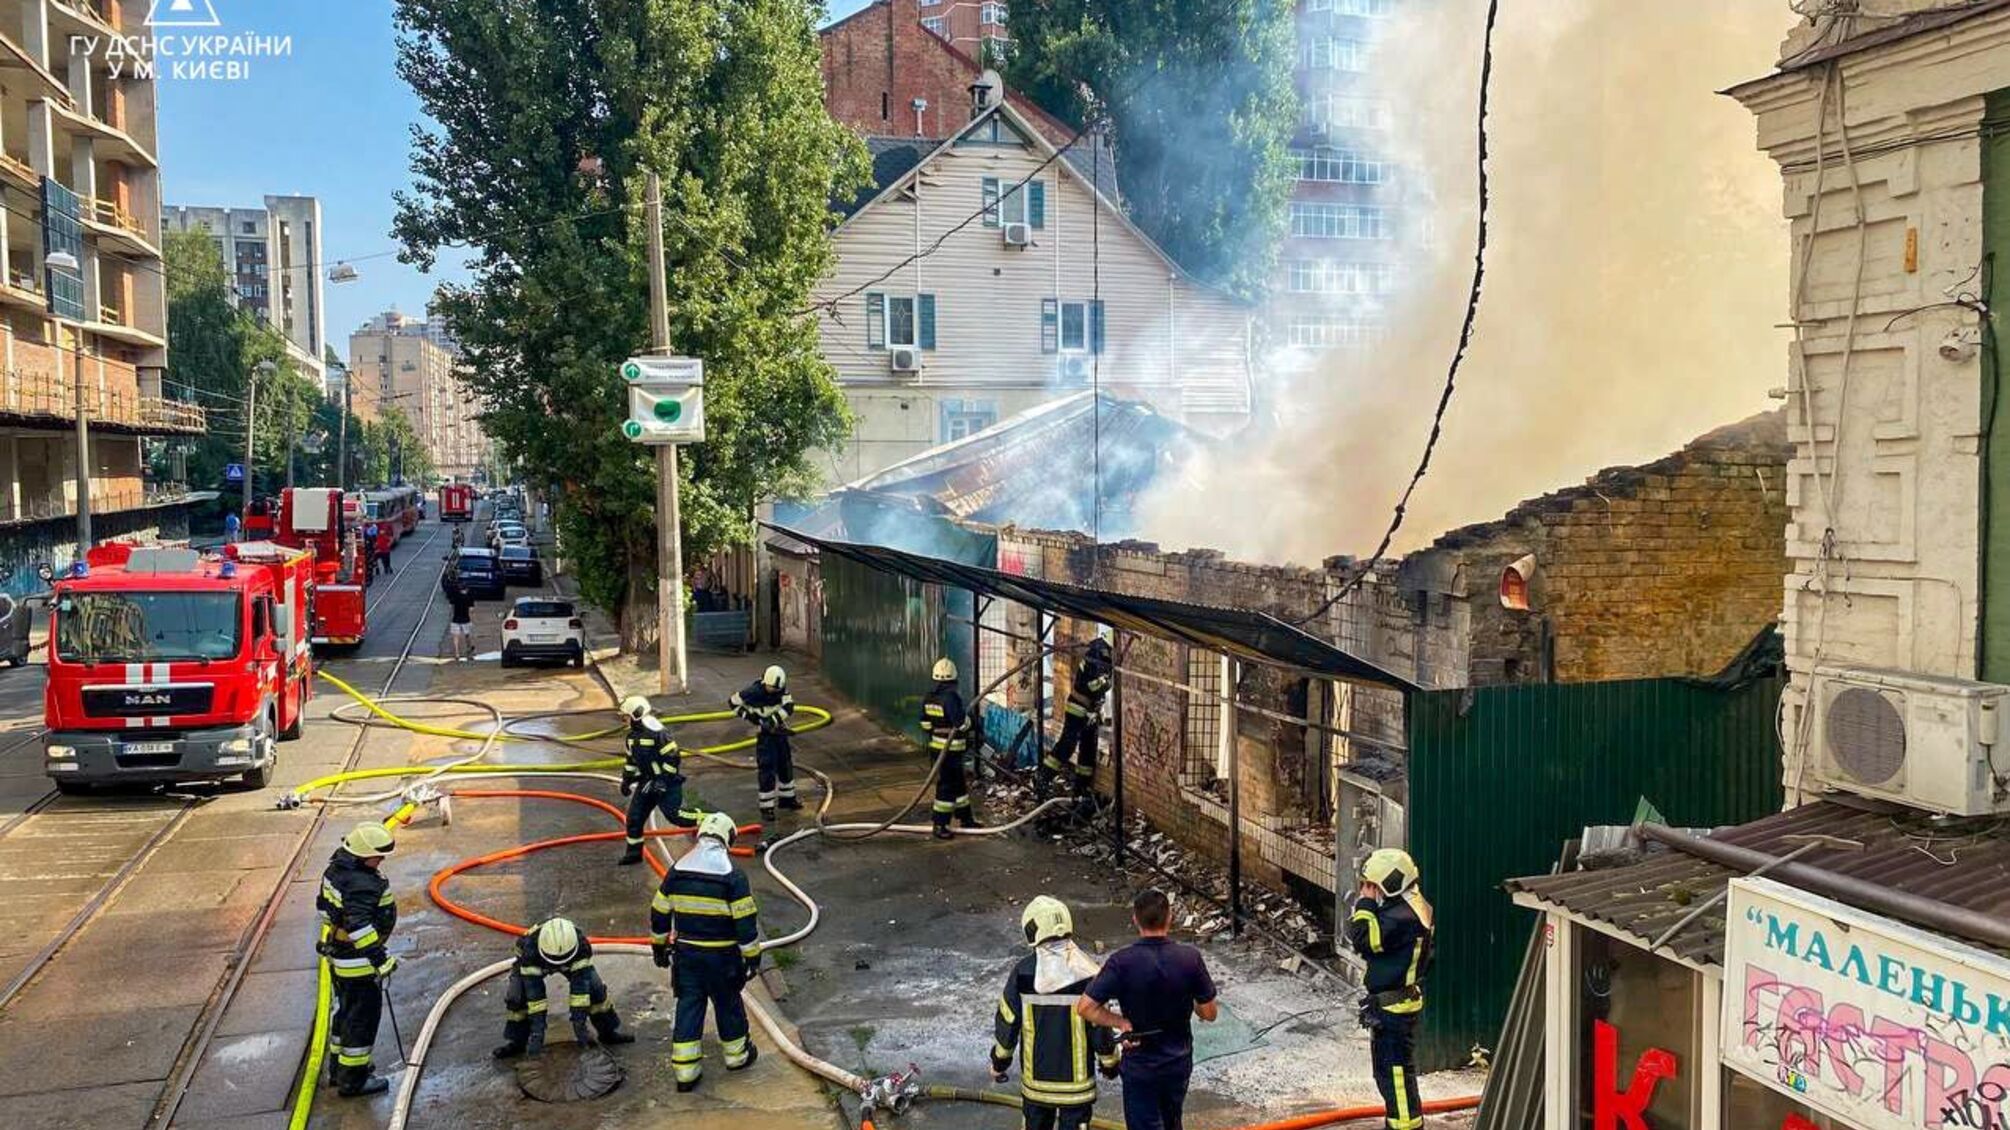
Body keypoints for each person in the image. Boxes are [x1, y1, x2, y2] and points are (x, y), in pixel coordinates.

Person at [1077, 889, 1218, 1130]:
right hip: (1178, 1062)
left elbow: (1085, 1007)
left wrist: (1120, 1022)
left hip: (1140, 1065)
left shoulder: (1122, 962)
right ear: (1170, 918)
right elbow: (1209, 1013)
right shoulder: (1190, 958)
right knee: (1172, 1121)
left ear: (1135, 919)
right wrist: (1189, 993)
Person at [649, 811, 762, 1092]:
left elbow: (659, 911)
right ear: (728, 838)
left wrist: (659, 946)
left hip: (687, 956)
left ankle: (686, 1071)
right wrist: (752, 957)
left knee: (689, 1003)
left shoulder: (677, 871)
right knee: (727, 1003)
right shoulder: (732, 876)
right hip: (722, 957)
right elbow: (745, 923)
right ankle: (737, 1056)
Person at [991, 896, 1120, 1129]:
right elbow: (1101, 1028)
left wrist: (1000, 1062)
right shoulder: (1089, 973)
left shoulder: (1023, 973)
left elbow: (1008, 1021)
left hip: (1037, 1086)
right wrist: (1110, 1064)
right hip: (1077, 1089)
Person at [1346, 849, 1435, 1130]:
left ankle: (1405, 1127)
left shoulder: (1401, 917)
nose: (1369, 889)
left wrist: (1365, 902)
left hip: (1395, 1010)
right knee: (1390, 1074)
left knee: (1395, 1076)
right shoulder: (1410, 905)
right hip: (1394, 1005)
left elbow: (1361, 938)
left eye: (1372, 884)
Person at [316, 821, 401, 1098]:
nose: (381, 861)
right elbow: (360, 927)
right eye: (378, 856)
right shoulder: (361, 884)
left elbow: (325, 910)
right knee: (361, 1020)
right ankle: (353, 1081)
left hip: (340, 957)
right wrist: (380, 959)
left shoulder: (335, 871)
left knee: (346, 1013)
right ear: (363, 855)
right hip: (359, 964)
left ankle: (338, 1070)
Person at [492, 917, 637, 1059]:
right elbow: (535, 997)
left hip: (570, 960)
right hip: (535, 963)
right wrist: (538, 1032)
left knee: (595, 989)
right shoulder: (529, 949)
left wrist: (579, 1026)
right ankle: (518, 1042)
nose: (557, 965)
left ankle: (607, 1033)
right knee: (516, 997)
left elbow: (580, 992)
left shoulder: (581, 946)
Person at [616, 694, 699, 865]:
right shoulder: (631, 737)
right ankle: (634, 853)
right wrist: (627, 779)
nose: (624, 721)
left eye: (626, 717)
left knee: (676, 816)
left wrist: (662, 780)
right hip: (647, 782)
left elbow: (673, 758)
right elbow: (631, 761)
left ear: (636, 715)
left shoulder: (658, 733)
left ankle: (707, 819)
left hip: (667, 783)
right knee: (634, 818)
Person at [1042, 638, 1113, 801]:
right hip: (1078, 707)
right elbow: (1093, 686)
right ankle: (1043, 777)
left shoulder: (1101, 654)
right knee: (1067, 745)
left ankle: (1081, 788)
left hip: (1091, 711)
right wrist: (1107, 682)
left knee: (1088, 750)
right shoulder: (1098, 655)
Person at [730, 666, 798, 821]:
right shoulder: (752, 692)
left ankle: (787, 799)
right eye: (772, 688)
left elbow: (789, 706)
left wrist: (773, 720)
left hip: (779, 732)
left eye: (777, 689)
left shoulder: (781, 690)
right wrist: (750, 717)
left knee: (785, 764)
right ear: (765, 683)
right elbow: (733, 703)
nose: (774, 691)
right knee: (767, 769)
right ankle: (766, 808)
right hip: (765, 737)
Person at [919, 657, 977, 839]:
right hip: (950, 750)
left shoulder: (929, 697)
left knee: (958, 784)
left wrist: (937, 731)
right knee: (946, 787)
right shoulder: (951, 697)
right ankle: (939, 824)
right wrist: (972, 722)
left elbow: (925, 724)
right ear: (953, 679)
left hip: (937, 749)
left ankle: (966, 819)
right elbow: (960, 723)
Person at [444, 572, 475, 661]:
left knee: (455, 637)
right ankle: (469, 651)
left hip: (455, 619)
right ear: (467, 589)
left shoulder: (455, 596)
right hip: (466, 619)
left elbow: (451, 605)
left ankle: (457, 653)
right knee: (467, 636)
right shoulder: (469, 597)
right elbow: (471, 609)